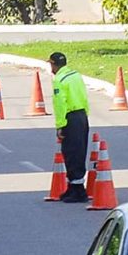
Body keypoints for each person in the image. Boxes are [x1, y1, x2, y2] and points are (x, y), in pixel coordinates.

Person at [48, 52, 90, 203]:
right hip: (81, 115)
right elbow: (83, 95)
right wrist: (85, 114)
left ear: (54, 64)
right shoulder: (75, 75)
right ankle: (74, 187)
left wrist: (60, 126)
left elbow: (60, 105)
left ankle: (78, 191)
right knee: (80, 152)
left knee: (71, 153)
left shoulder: (59, 80)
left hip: (70, 118)